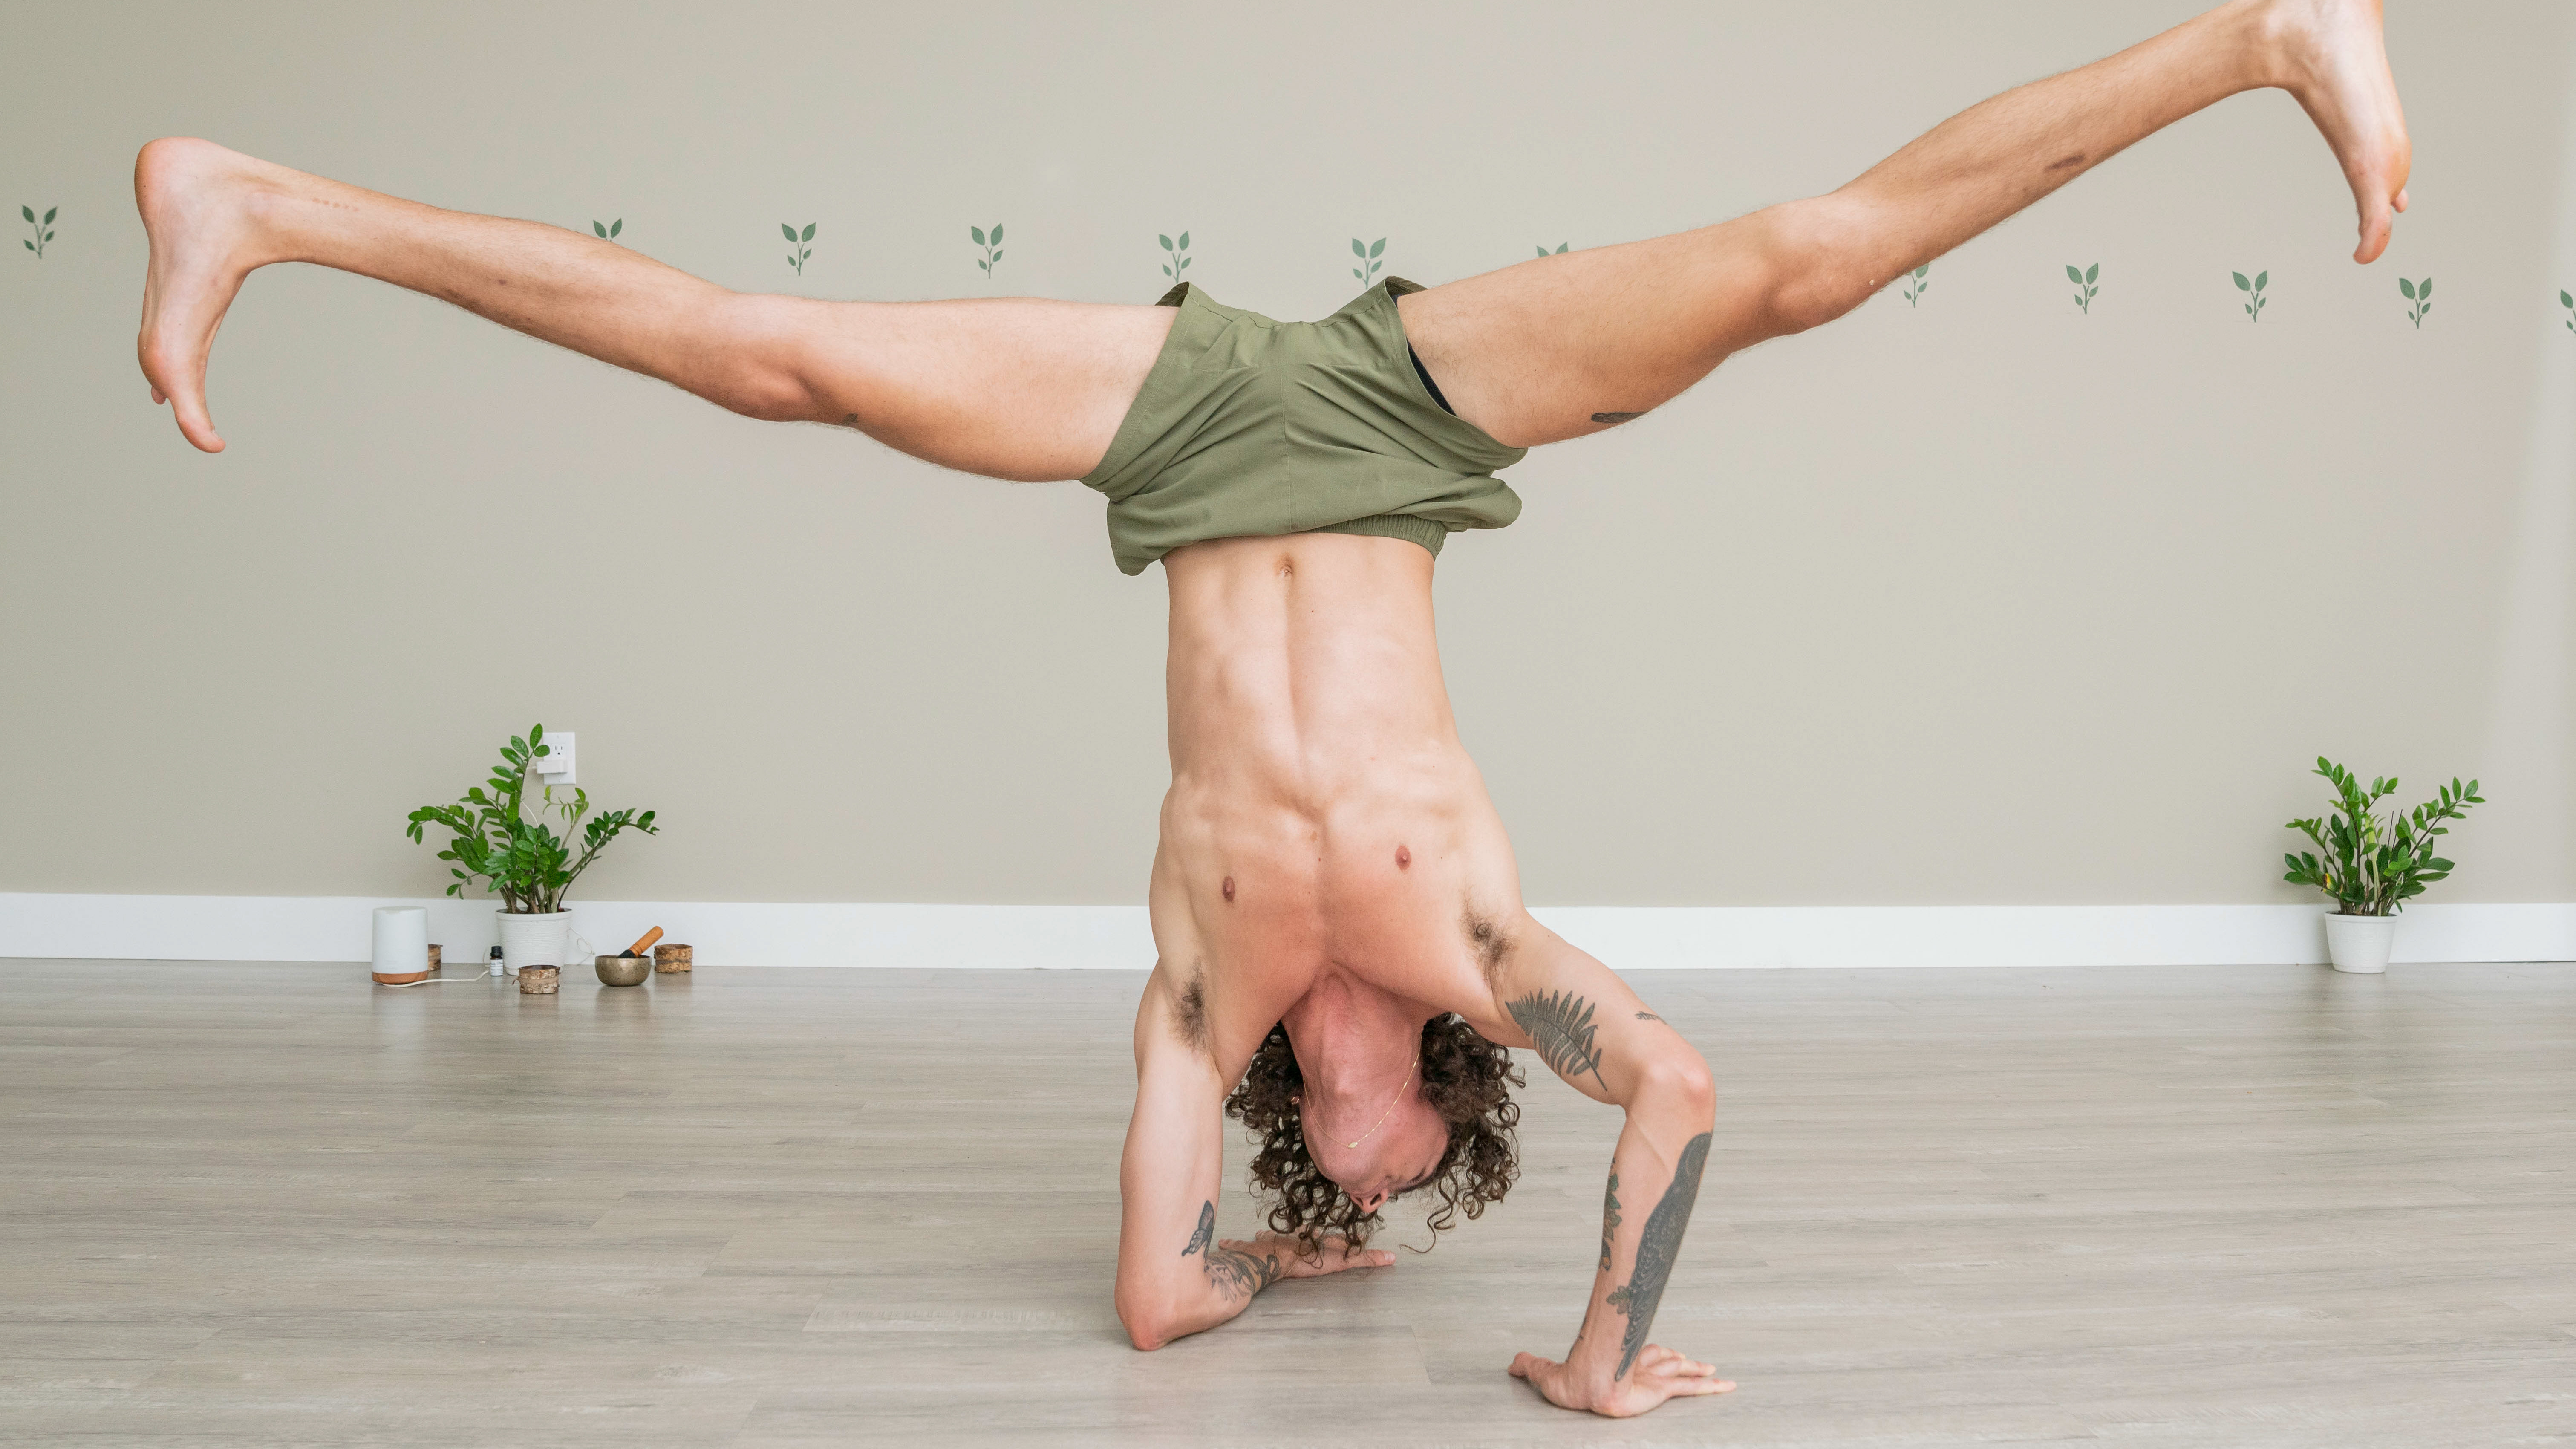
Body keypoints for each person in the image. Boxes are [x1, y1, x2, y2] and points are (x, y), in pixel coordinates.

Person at [130, 0, 2406, 1418]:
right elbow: (1682, 1088)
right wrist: (1597, 1359)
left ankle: (267, 205)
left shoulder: (1200, 1002)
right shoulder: (1480, 957)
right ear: (1434, 1079)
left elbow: (1150, 1296)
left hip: (1187, 431)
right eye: (1393, 1156)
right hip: (1414, 410)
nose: (1358, 1146)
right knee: (1805, 267)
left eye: (1339, 1170)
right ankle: (2260, 32)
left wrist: (1268, 1260)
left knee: (771, 359)